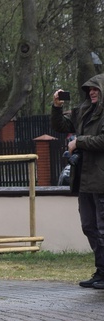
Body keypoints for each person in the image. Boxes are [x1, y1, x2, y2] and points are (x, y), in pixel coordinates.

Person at [50, 77, 104, 289]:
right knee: (88, 226)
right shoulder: (82, 111)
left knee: (102, 229)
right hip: (83, 179)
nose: (91, 93)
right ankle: (100, 271)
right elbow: (60, 125)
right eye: (89, 90)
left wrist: (78, 142)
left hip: (100, 179)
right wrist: (56, 106)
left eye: (95, 90)